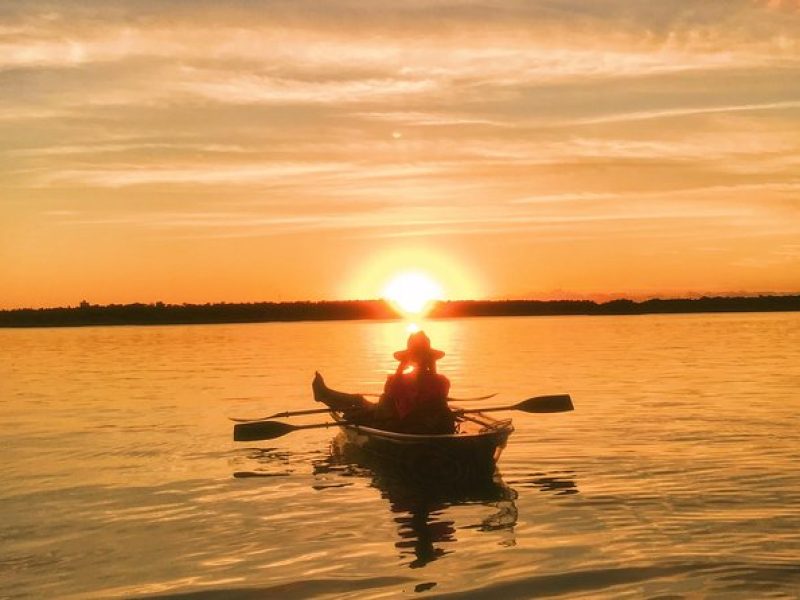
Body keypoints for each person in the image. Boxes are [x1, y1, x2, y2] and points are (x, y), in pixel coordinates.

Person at [375, 331, 456, 434]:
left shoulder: (396, 381)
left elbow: (390, 393)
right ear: (431, 359)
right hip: (430, 427)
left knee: (384, 399)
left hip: (416, 427)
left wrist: (400, 368)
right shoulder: (442, 381)